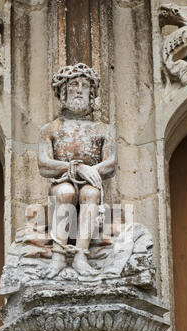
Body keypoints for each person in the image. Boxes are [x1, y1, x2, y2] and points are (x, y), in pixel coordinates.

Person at [38, 63, 117, 278]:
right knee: (66, 192)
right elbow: (44, 164)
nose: (80, 90)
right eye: (74, 85)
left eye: (85, 86)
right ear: (63, 91)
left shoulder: (103, 129)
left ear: (92, 94)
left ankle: (82, 256)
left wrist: (93, 171)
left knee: (90, 193)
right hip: (62, 180)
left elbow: (110, 163)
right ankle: (58, 256)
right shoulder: (51, 128)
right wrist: (76, 168)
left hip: (91, 183)